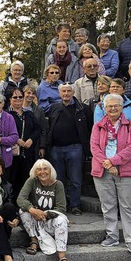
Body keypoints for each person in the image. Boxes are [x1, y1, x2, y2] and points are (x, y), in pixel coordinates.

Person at [90, 94, 131, 253]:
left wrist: (113, 161)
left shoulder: (130, 126)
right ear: (105, 107)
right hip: (102, 170)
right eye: (109, 106)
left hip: (126, 171)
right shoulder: (98, 126)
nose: (112, 108)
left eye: (116, 106)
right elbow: (94, 147)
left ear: (121, 107)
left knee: (128, 207)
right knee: (108, 205)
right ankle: (112, 236)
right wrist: (107, 163)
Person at [17, 159, 74, 261]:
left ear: (50, 170)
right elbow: (21, 199)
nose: (42, 172)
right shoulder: (32, 181)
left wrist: (45, 214)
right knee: (23, 210)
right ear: (35, 171)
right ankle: (34, 241)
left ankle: (62, 256)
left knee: (61, 220)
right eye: (39, 169)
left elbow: (61, 208)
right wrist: (32, 210)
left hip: (49, 221)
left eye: (45, 169)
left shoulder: (58, 184)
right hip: (34, 219)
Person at [46, 83, 91, 216]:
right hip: (56, 149)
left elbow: (89, 128)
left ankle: (76, 205)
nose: (66, 94)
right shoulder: (54, 108)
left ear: (73, 93)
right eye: (63, 91)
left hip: (75, 148)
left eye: (68, 91)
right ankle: (61, 206)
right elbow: (49, 127)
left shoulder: (83, 109)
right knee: (58, 180)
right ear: (60, 94)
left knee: (75, 179)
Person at [6, 88, 40, 194]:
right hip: (12, 153)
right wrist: (16, 140)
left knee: (26, 179)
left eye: (20, 97)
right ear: (10, 99)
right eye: (15, 97)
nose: (18, 99)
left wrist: (31, 139)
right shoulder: (7, 115)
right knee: (12, 179)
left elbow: (38, 128)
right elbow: (4, 131)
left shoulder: (28, 114)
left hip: (27, 152)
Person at [23, 84, 47, 157]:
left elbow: (43, 129)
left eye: (33, 93)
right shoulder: (16, 108)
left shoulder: (39, 110)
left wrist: (42, 147)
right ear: (24, 93)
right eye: (28, 93)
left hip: (34, 145)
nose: (30, 95)